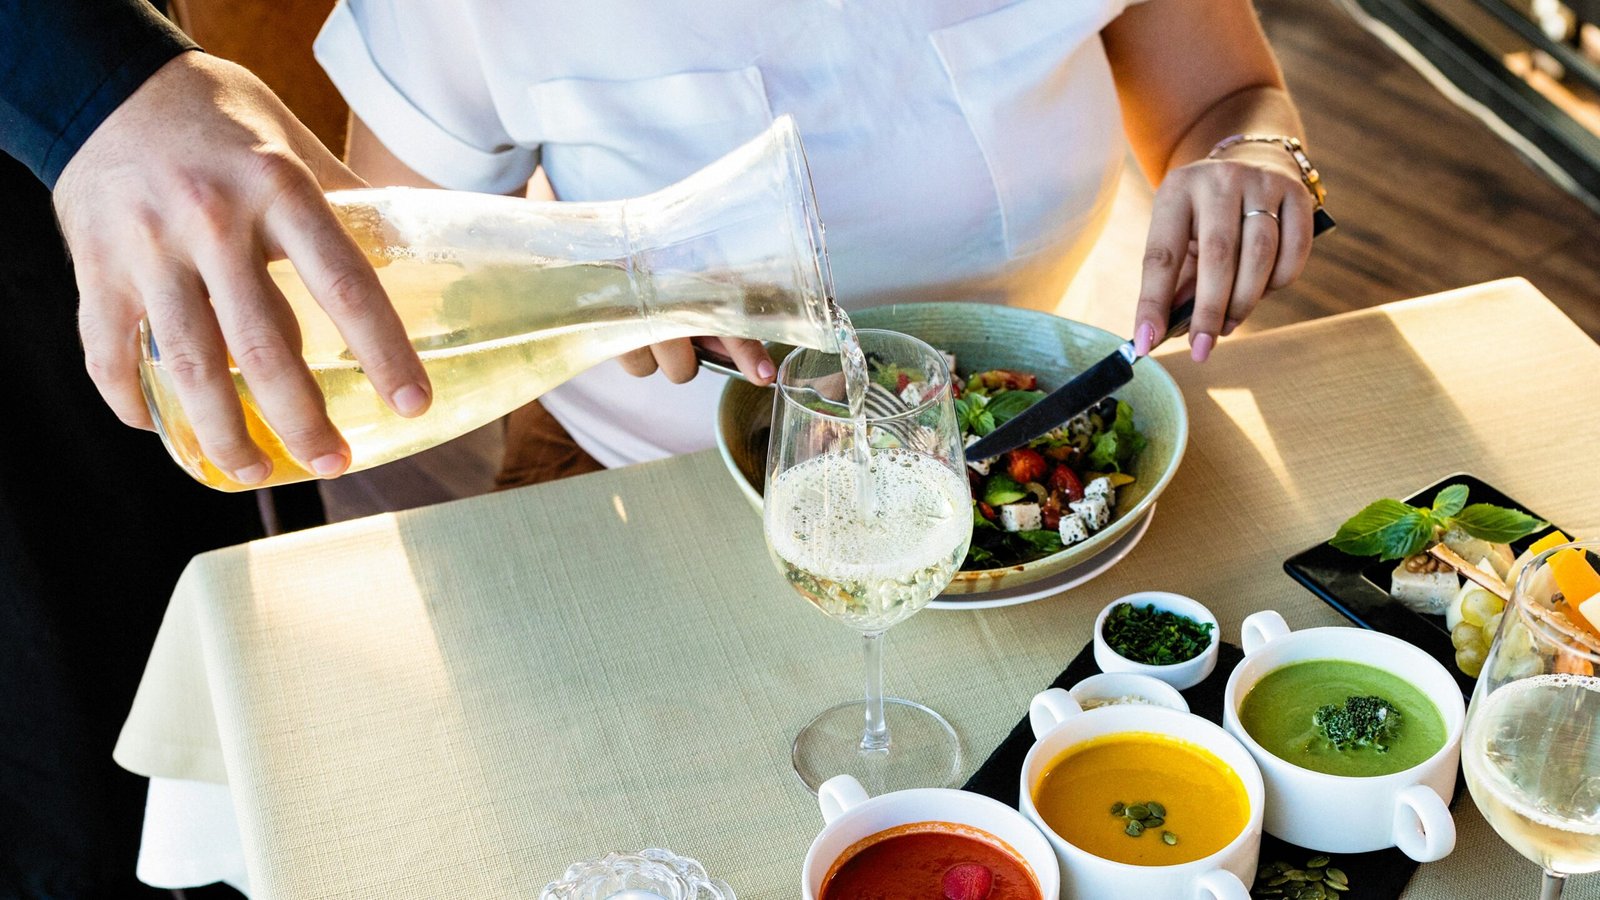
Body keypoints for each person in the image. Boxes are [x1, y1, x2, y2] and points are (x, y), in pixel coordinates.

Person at [311, 0, 1324, 487]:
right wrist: (594, 286)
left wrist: (1256, 155)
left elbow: (1228, 101)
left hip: (1023, 443)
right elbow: (392, 286)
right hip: (640, 473)